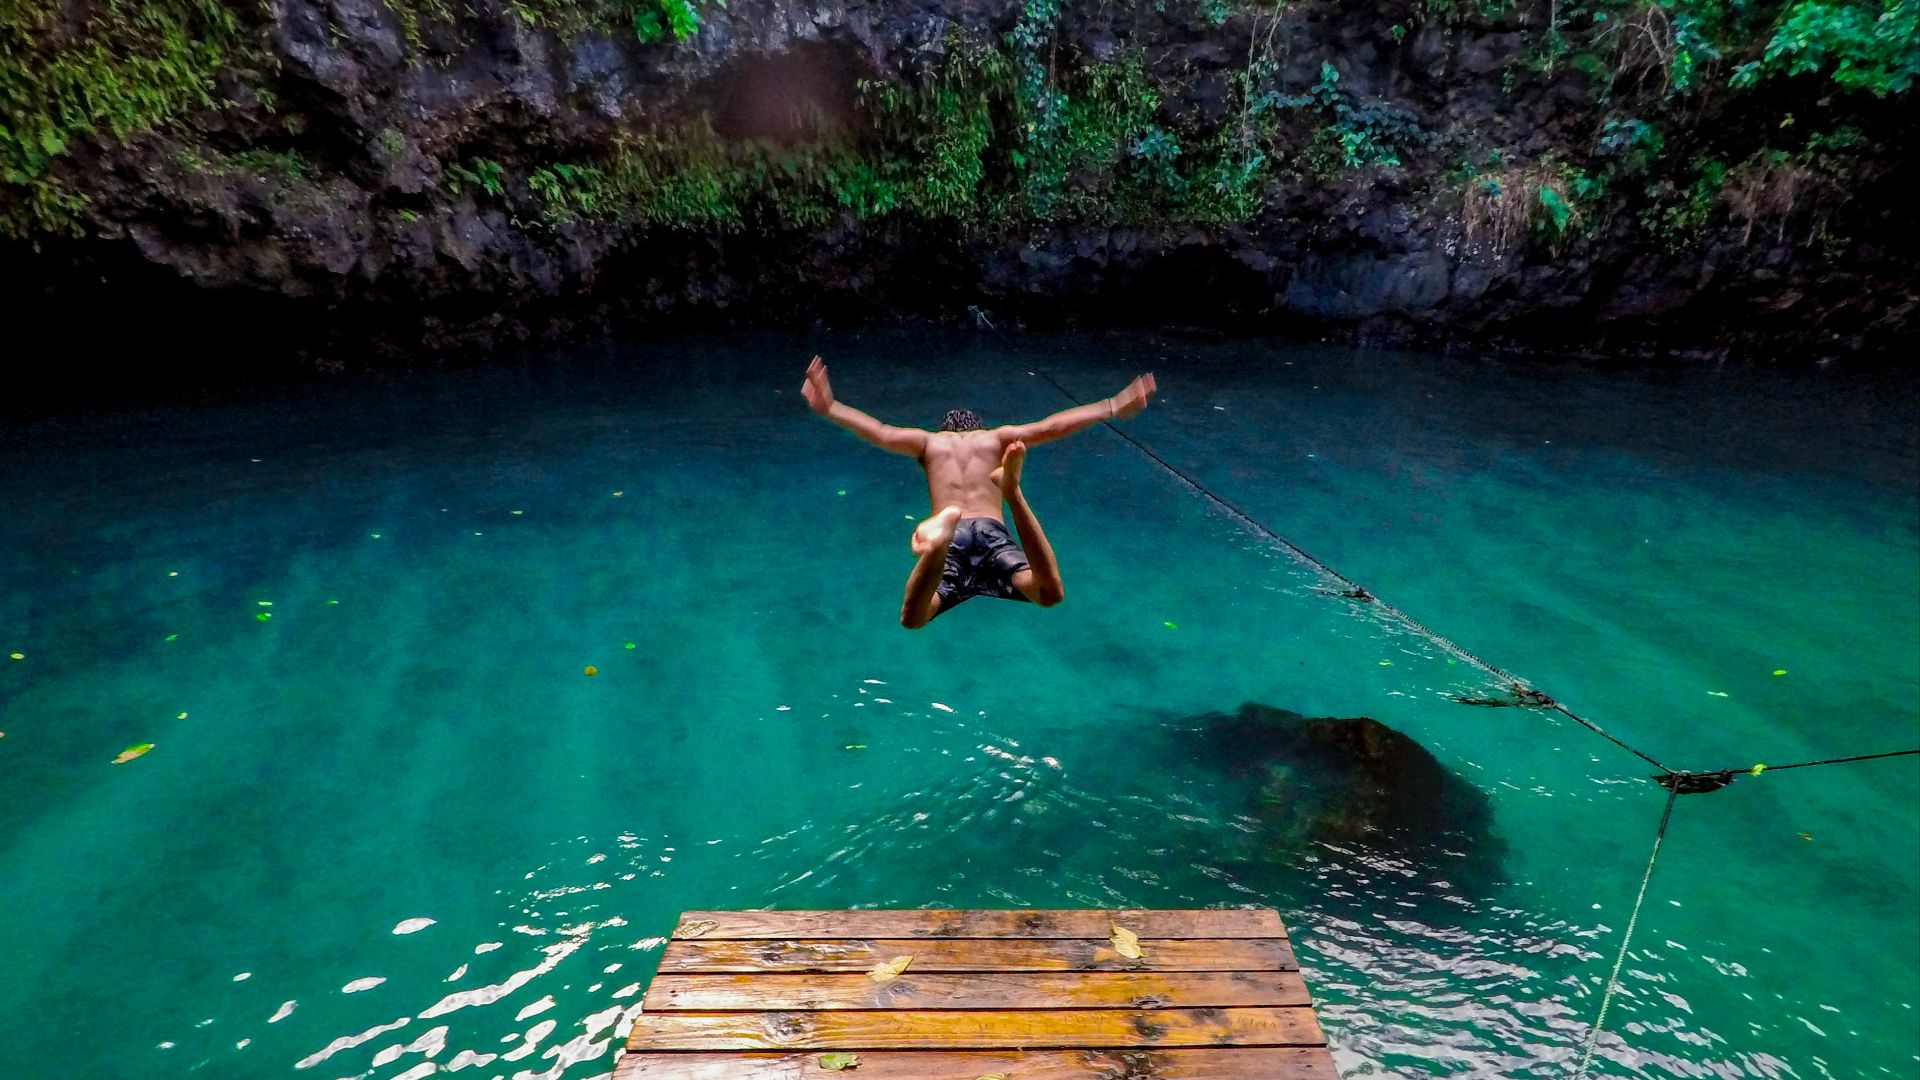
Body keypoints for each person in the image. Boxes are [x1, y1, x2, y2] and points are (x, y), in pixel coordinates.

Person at [801, 355, 1157, 628]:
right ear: (977, 428)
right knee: (1048, 594)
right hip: (991, 534)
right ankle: (1011, 490)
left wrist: (831, 407)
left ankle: (938, 542)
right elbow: (1051, 427)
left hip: (954, 536)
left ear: (945, 430)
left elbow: (879, 431)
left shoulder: (928, 443)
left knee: (913, 618)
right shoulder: (995, 438)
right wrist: (1110, 406)